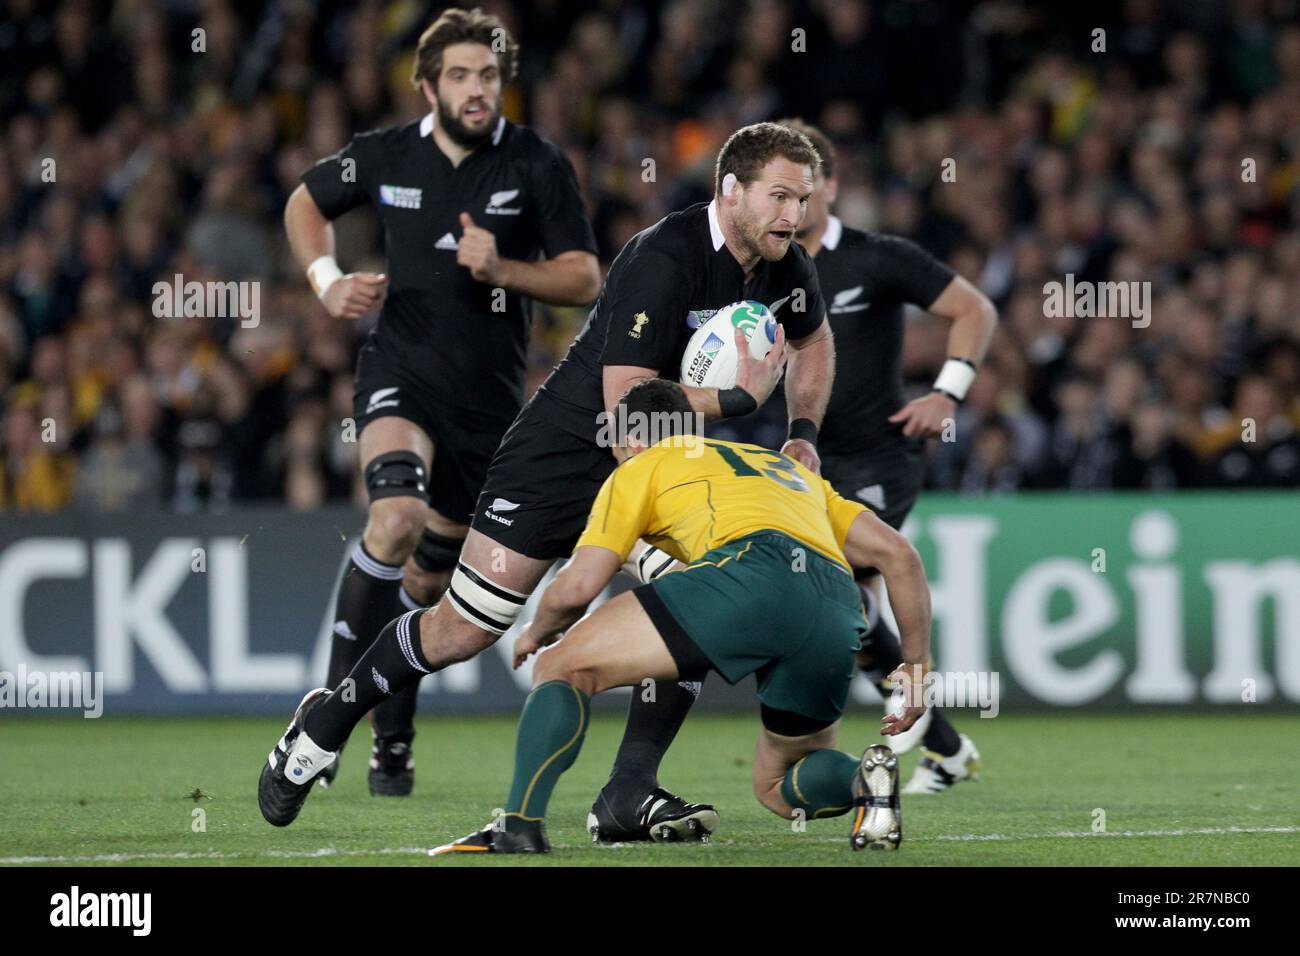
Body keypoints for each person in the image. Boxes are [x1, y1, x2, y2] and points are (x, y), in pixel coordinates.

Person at [259, 123, 836, 839]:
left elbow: (812, 341)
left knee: (689, 603)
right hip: (561, 460)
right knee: (461, 630)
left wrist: (802, 433)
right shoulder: (664, 258)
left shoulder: (787, 266)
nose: (795, 215)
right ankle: (325, 721)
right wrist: (739, 402)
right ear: (731, 191)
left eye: (804, 199)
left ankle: (629, 791)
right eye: (780, 197)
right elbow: (628, 412)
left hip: (660, 468)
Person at [283, 7, 599, 795]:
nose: (476, 88)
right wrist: (326, 284)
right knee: (392, 517)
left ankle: (393, 735)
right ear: (428, 85)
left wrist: (503, 271)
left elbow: (584, 278)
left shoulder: (535, 163)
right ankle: (322, 714)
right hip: (399, 367)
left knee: (428, 585)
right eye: (459, 75)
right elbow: (304, 204)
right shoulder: (385, 153)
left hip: (488, 404)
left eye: (488, 75)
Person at [425, 378, 933, 855]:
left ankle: (518, 829)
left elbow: (579, 584)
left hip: (745, 570)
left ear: (630, 439)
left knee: (561, 668)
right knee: (779, 783)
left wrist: (539, 630)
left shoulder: (640, 467)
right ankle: (863, 780)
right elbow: (899, 557)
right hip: (836, 603)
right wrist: (914, 667)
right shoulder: (786, 470)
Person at [780, 119, 997, 793]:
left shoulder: (875, 257)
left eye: (804, 186)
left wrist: (947, 393)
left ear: (832, 186)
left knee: (840, 583)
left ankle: (907, 728)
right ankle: (947, 746)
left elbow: (974, 310)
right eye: (778, 189)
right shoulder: (753, 271)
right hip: (797, 463)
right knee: (838, 605)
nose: (791, 202)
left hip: (878, 459)